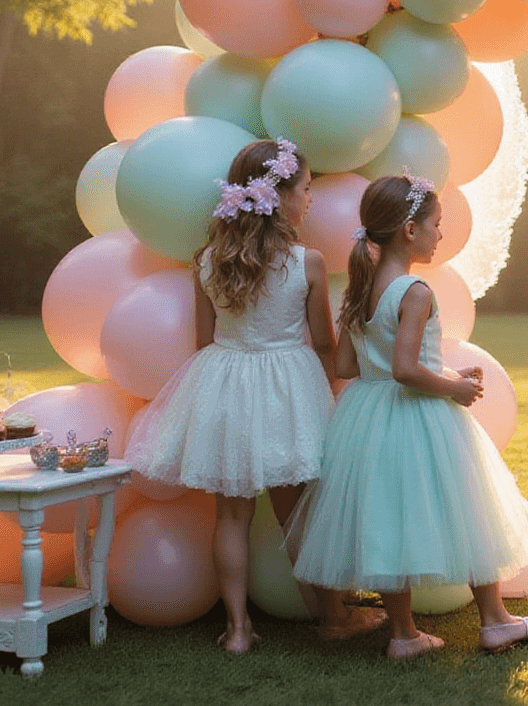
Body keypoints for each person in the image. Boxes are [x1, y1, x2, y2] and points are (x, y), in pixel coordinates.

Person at [285, 174, 528, 660]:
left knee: (389, 515)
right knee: (464, 501)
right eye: (436, 223)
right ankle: (494, 621)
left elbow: (348, 365)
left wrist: (443, 368)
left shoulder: (362, 288)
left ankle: (404, 633)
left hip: (367, 414)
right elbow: (407, 369)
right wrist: (452, 386)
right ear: (409, 231)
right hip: (416, 414)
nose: (440, 233)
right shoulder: (414, 290)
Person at [125, 138, 377, 653]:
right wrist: (334, 392)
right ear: (279, 195)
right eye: (305, 189)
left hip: (223, 383)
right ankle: (331, 615)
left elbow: (203, 341)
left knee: (231, 517)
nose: (310, 199)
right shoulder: (305, 261)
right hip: (289, 389)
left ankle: (237, 629)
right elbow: (325, 344)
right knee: (299, 514)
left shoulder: (208, 260)